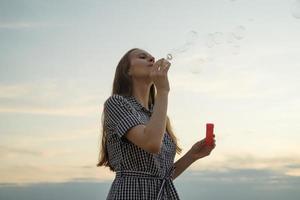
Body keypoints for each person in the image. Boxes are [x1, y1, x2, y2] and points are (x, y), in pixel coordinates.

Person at [97, 48, 216, 200]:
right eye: (142, 56)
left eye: (151, 57)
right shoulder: (117, 103)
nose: (152, 58)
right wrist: (163, 90)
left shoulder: (158, 116)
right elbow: (151, 143)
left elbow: (162, 175)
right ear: (127, 71)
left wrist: (192, 155)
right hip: (130, 193)